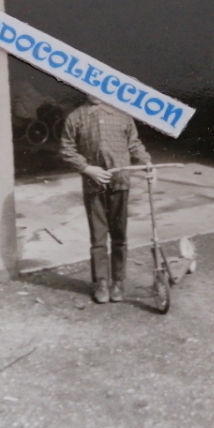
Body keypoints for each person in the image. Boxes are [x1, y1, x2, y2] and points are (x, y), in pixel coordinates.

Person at [60, 97, 151, 303]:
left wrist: (147, 163)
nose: (95, 93)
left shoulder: (123, 115)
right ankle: (101, 282)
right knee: (98, 237)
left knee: (119, 235)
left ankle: (118, 282)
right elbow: (67, 149)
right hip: (93, 186)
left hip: (120, 182)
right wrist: (87, 168)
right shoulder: (75, 117)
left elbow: (134, 144)